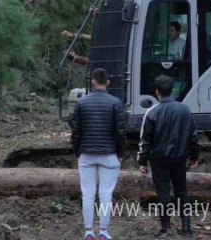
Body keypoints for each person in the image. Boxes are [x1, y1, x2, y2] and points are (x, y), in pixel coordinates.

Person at [137, 75, 200, 238]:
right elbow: (193, 136)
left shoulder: (151, 112)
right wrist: (194, 156)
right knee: (182, 192)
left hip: (159, 160)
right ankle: (186, 228)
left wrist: (142, 162)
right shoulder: (185, 109)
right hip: (180, 158)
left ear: (157, 91)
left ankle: (165, 228)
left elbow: (145, 140)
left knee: (163, 193)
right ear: (172, 90)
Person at [71, 68, 127, 240]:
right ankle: (103, 231)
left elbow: (76, 131)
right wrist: (120, 152)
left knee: (87, 194)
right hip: (109, 154)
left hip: (87, 154)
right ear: (108, 82)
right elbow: (120, 131)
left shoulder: (81, 103)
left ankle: (88, 232)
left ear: (92, 82)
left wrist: (77, 152)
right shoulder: (116, 103)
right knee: (105, 195)